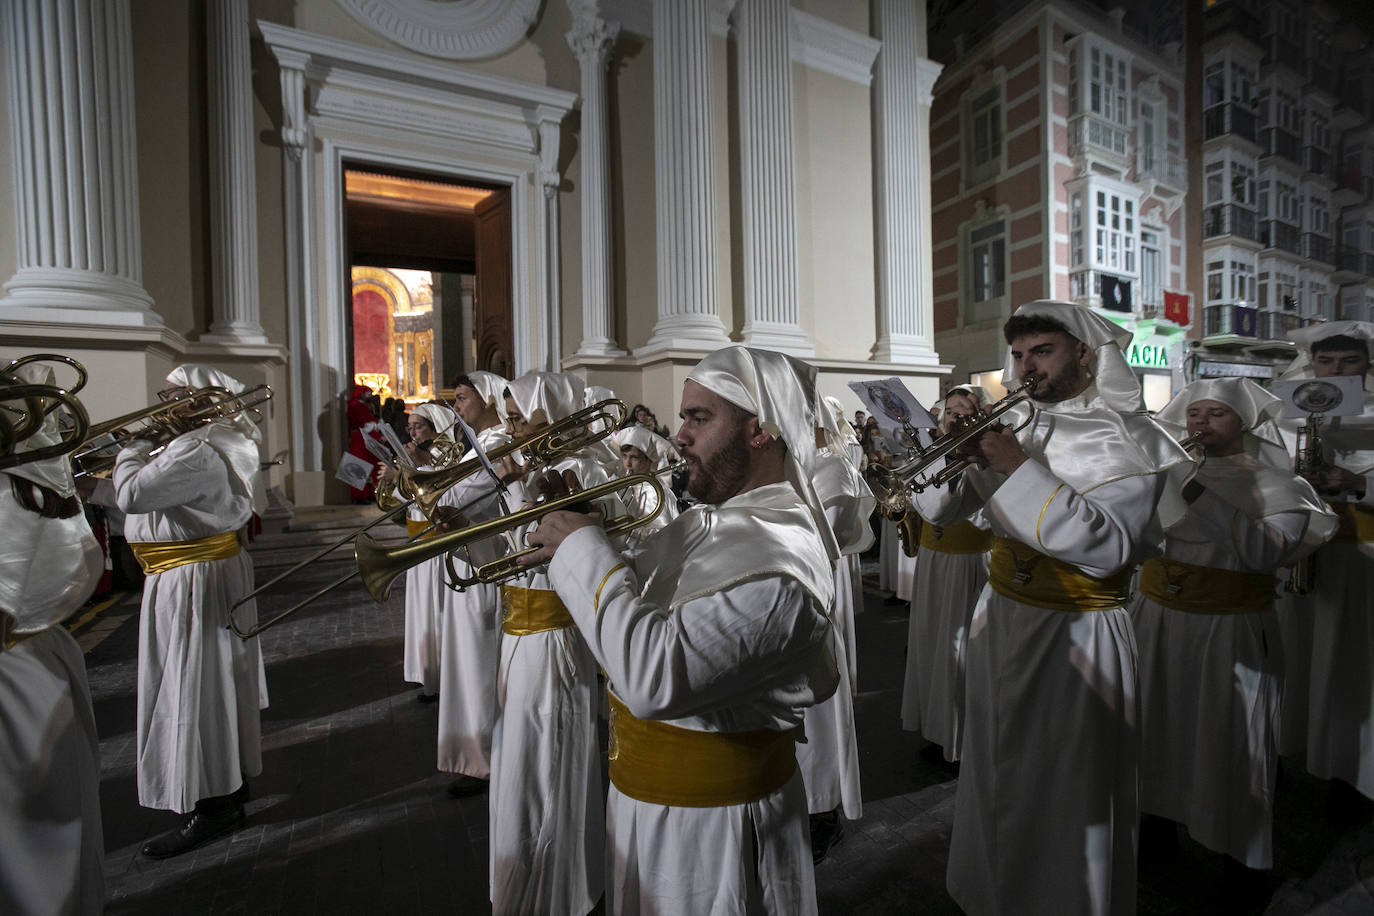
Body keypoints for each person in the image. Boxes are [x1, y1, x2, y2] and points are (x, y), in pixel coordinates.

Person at [523, 346, 841, 915]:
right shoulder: (709, 519)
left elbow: (650, 677)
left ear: (761, 429)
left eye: (699, 418)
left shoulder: (780, 568)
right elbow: (643, 600)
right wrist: (591, 532)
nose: (680, 436)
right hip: (650, 802)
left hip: (715, 826)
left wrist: (583, 551)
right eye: (684, 418)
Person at [909, 301, 1189, 916]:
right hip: (1001, 615)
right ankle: (991, 893)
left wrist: (1012, 465)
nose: (1025, 368)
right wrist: (951, 456)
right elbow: (940, 514)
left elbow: (1104, 546)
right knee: (993, 766)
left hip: (1080, 632)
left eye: (1042, 352)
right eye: (1017, 355)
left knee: (1068, 785)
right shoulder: (1021, 423)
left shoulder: (1133, 437)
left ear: (1085, 354)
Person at [1130, 378, 1335, 904]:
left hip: (1229, 628)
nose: (1200, 423)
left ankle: (1241, 860)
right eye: (1193, 413)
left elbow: (1266, 553)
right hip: (1157, 619)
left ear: (1243, 422)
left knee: (1232, 741)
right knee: (1156, 727)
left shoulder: (1277, 484)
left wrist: (1197, 491)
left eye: (1215, 414)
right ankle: (1155, 825)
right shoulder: (1165, 473)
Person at [113, 363, 267, 858]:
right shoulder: (203, 444)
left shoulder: (197, 448)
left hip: (192, 579)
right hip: (196, 573)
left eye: (172, 395)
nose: (162, 405)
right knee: (212, 685)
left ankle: (213, 803)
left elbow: (133, 495)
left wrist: (130, 448)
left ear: (201, 400)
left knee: (193, 689)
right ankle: (226, 781)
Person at [487, 371, 611, 915]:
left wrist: (517, 490)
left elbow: (551, 555)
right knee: (521, 772)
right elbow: (509, 559)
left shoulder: (581, 470)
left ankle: (556, 894)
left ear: (552, 416)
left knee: (547, 773)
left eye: (519, 419)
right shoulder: (532, 468)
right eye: (509, 418)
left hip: (557, 642)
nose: (509, 429)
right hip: (521, 638)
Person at [0, 362, 106, 914]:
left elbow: (134, 499)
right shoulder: (32, 472)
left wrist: (134, 460)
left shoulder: (25, 478)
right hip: (32, 664)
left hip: (18, 670)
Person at [1279, 321, 1374, 809]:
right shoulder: (1287, 414)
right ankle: (1284, 751)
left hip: (1357, 563)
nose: (1335, 372)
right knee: (1291, 657)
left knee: (1348, 665)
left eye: (1348, 363)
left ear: (1367, 366)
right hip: (1295, 555)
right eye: (1325, 362)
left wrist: (1357, 484)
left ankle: (1347, 770)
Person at [900, 387, 993, 764]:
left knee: (959, 649)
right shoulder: (935, 453)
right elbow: (925, 505)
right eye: (950, 411)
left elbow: (979, 513)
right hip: (935, 562)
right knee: (929, 642)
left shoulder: (986, 457)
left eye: (963, 410)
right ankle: (934, 727)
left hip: (969, 562)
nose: (955, 418)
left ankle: (960, 734)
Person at [798, 393, 873, 861]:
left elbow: (815, 538)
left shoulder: (832, 469)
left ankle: (822, 805)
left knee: (817, 706)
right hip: (790, 591)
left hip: (812, 587)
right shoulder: (797, 464)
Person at [435, 371, 510, 797]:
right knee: (467, 660)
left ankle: (482, 756)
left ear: (486, 398)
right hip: (469, 555)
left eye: (463, 398)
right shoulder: (476, 446)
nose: (457, 406)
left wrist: (437, 493)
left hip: (487, 560)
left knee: (480, 662)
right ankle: (471, 753)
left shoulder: (498, 444)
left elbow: (464, 498)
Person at [379, 402, 460, 701]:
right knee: (419, 608)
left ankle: (437, 675)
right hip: (416, 540)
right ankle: (422, 670)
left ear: (435, 427)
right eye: (409, 427)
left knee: (433, 608)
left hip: (434, 544)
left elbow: (437, 495)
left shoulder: (444, 455)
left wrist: (406, 472)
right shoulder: (416, 455)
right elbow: (406, 501)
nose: (411, 432)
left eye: (418, 426)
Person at [610, 425, 680, 556]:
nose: (627, 463)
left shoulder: (655, 491)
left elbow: (660, 535)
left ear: (649, 461)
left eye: (634, 457)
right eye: (624, 456)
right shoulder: (623, 484)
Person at [345, 384, 384, 503]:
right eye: (368, 393)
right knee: (359, 465)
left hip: (366, 437)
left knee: (370, 466)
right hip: (360, 438)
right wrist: (374, 425)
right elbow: (363, 422)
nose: (369, 395)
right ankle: (359, 496)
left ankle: (370, 493)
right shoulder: (355, 405)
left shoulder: (363, 405)